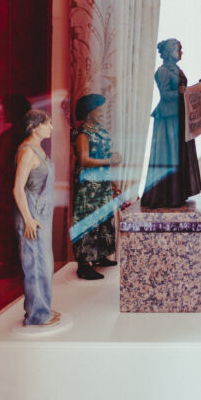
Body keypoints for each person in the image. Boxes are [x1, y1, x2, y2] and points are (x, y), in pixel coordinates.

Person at [141, 39, 201, 208]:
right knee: (170, 155)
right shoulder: (162, 71)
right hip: (168, 118)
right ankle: (167, 196)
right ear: (170, 51)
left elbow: (181, 91)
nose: (181, 52)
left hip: (179, 117)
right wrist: (181, 92)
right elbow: (166, 95)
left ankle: (178, 193)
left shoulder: (176, 69)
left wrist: (197, 87)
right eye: (179, 49)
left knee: (179, 155)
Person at [12, 109, 61, 326]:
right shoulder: (28, 152)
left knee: (44, 264)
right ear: (34, 126)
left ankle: (43, 309)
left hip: (41, 214)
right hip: (32, 215)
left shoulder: (37, 149)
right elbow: (17, 189)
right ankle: (37, 315)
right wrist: (29, 219)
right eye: (47, 123)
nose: (51, 127)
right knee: (34, 265)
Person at [71, 94, 123, 280]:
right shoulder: (83, 134)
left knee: (103, 220)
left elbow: (103, 150)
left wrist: (112, 156)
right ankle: (84, 264)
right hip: (89, 185)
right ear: (88, 112)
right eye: (99, 110)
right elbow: (84, 159)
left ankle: (100, 255)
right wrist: (108, 160)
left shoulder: (99, 130)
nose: (102, 113)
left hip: (101, 181)